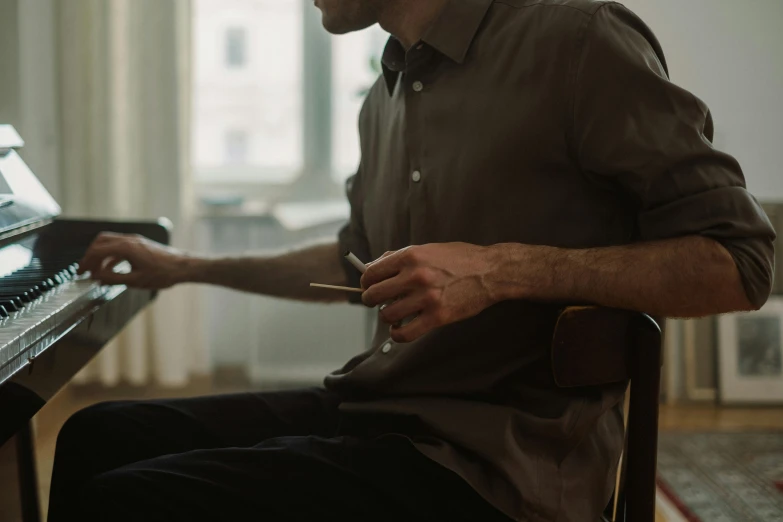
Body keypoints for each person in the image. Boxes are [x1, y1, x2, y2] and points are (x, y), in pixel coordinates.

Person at [49, 0, 776, 521]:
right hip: (380, 412)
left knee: (129, 499)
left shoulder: (578, 38)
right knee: (97, 435)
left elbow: (739, 260)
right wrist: (185, 267)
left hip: (497, 466)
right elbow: (351, 264)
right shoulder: (384, 93)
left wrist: (502, 271)